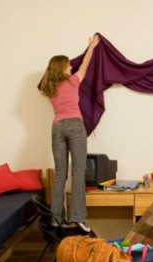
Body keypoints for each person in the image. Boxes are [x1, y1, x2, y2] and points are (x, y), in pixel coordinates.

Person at [39, 35, 100, 232]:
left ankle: (56, 219)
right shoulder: (73, 82)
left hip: (57, 127)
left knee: (60, 174)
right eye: (67, 66)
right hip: (74, 125)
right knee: (78, 171)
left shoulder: (48, 88)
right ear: (62, 69)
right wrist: (91, 47)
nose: (71, 68)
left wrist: (53, 69)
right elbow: (85, 64)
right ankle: (78, 218)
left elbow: (48, 77)